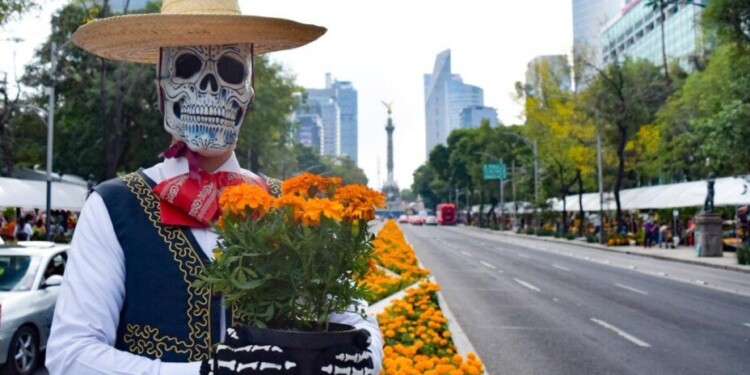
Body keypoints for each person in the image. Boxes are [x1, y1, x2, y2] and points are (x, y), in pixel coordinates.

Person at [46, 1, 382, 374]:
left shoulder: (291, 208)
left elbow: (356, 316)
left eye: (230, 71)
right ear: (162, 92)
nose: (209, 88)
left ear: (248, 97)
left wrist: (361, 357)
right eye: (186, 69)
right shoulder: (114, 206)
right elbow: (70, 354)